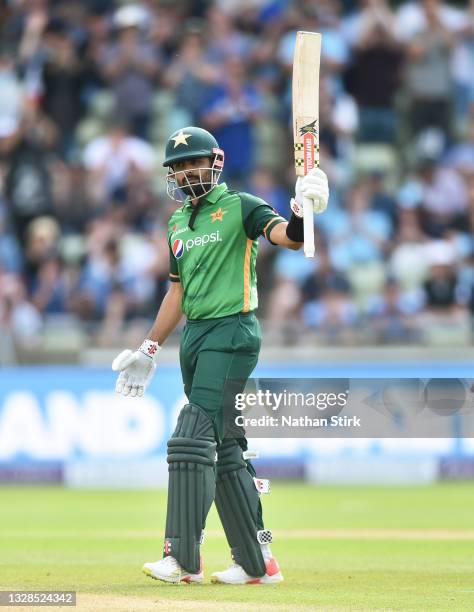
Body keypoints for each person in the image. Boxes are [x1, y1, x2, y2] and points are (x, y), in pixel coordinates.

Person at [112, 126, 329, 585]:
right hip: (196, 337)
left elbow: (286, 238)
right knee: (226, 448)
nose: (187, 171)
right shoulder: (176, 223)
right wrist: (149, 348)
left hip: (232, 331)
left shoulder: (241, 206)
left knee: (192, 435)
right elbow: (177, 291)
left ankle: (182, 558)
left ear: (216, 161)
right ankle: (257, 563)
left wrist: (303, 213)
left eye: (194, 161)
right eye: (178, 166)